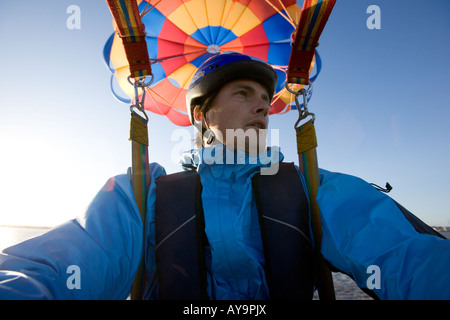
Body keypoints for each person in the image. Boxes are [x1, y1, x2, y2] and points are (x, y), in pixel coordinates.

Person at [0, 52, 449, 300]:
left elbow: (405, 254)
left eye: (265, 98)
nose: (262, 106)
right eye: (243, 93)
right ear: (202, 114)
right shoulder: (144, 196)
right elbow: (64, 261)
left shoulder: (313, 189)